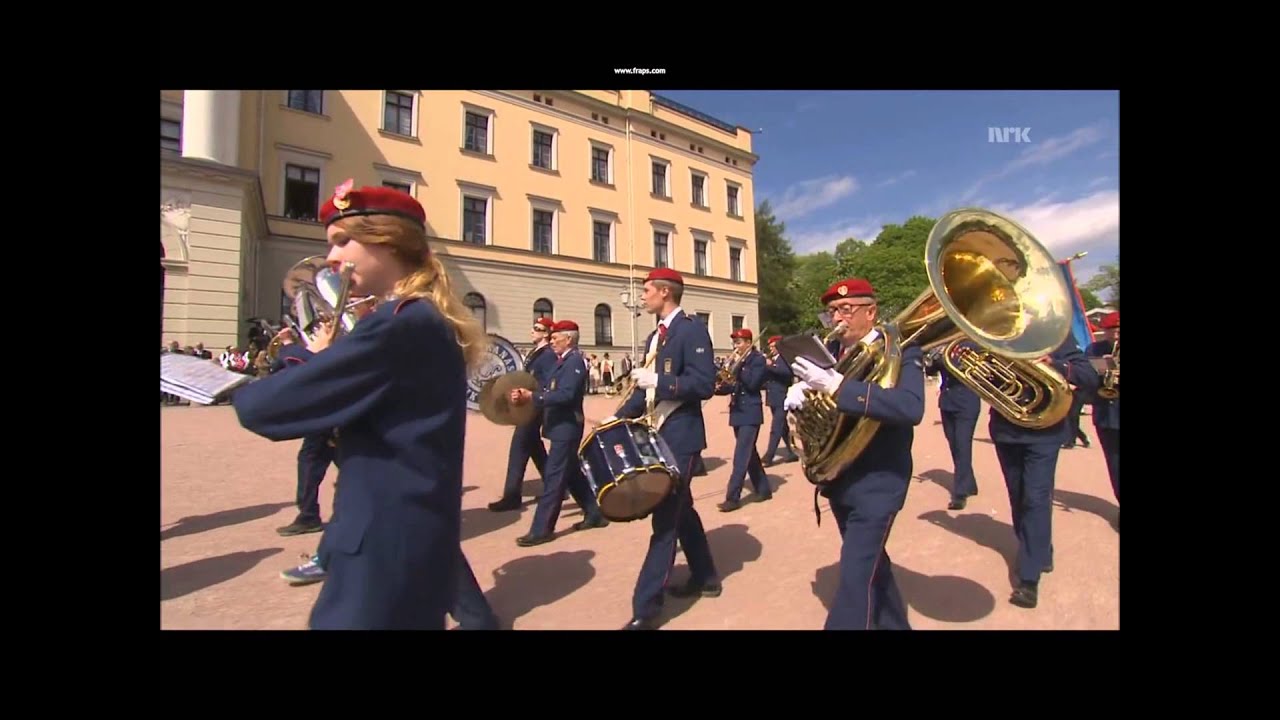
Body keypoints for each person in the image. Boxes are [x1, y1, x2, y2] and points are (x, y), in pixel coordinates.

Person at [232, 179, 489, 630]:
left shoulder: (399, 324)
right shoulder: (416, 318)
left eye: (342, 240)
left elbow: (263, 408)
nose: (331, 258)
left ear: (387, 241)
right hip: (396, 539)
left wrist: (298, 360)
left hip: (381, 548)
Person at [786, 278, 923, 630]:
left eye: (846, 310)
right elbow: (829, 419)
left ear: (871, 312)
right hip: (841, 477)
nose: (837, 319)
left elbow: (910, 408)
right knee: (872, 565)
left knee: (854, 577)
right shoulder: (834, 356)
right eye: (831, 312)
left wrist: (837, 386)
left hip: (879, 479)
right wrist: (802, 402)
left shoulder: (902, 349)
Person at [605, 267, 721, 630]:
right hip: (658, 433)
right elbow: (644, 390)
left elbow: (704, 384)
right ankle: (706, 576)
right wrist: (618, 416)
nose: (642, 297)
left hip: (682, 435)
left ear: (665, 293)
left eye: (647, 290)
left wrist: (661, 379)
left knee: (665, 517)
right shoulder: (657, 335)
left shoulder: (691, 330)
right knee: (680, 509)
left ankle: (646, 607)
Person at [988, 331, 1099, 609]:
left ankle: (1029, 577)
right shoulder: (994, 334)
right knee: (1018, 495)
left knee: (1036, 498)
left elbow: (1087, 375)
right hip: (1007, 428)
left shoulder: (1056, 333)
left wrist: (1056, 364)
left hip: (1045, 430)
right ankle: (1039, 551)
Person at [508, 319, 607, 545]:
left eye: (555, 338)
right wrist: (526, 393)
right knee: (571, 472)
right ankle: (594, 512)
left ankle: (542, 529)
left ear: (569, 339)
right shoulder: (561, 361)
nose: (551, 342)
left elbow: (566, 395)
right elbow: (547, 387)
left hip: (567, 427)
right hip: (558, 426)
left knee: (554, 478)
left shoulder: (574, 363)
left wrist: (533, 397)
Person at [266, 327, 335, 536]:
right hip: (327, 417)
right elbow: (279, 368)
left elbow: (304, 364)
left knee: (310, 464)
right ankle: (308, 515)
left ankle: (308, 516)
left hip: (327, 418)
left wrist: (288, 344)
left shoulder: (339, 346)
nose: (320, 330)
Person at [488, 316, 556, 512]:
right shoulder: (535, 353)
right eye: (533, 327)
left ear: (546, 333)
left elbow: (546, 383)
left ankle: (512, 495)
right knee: (535, 450)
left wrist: (530, 396)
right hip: (526, 407)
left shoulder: (548, 355)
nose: (533, 330)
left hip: (533, 408)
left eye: (538, 328)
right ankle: (557, 486)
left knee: (518, 449)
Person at [715, 328, 772, 511]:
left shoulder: (757, 360)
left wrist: (739, 367)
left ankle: (732, 497)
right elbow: (733, 386)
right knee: (749, 453)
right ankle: (763, 489)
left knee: (741, 455)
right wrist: (718, 387)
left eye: (739, 342)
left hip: (751, 412)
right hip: (737, 411)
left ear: (748, 342)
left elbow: (754, 384)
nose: (736, 347)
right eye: (735, 343)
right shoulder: (739, 362)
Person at [924, 341, 982, 510]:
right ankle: (969, 483)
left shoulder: (973, 345)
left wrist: (945, 358)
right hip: (947, 402)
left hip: (967, 401)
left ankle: (960, 493)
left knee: (963, 445)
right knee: (954, 444)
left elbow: (969, 372)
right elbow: (930, 372)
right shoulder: (944, 346)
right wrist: (933, 360)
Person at [1087, 310, 1119, 527]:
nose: (1115, 336)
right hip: (1106, 416)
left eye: (1118, 331)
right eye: (1111, 331)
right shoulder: (1095, 349)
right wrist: (1102, 370)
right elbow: (1087, 380)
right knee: (1115, 465)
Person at [761, 335, 798, 466]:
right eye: (770, 347)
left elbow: (786, 373)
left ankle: (768, 456)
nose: (771, 349)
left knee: (776, 427)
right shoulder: (773, 359)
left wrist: (770, 366)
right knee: (782, 427)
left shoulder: (784, 358)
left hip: (782, 396)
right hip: (773, 396)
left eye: (773, 346)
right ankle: (791, 451)